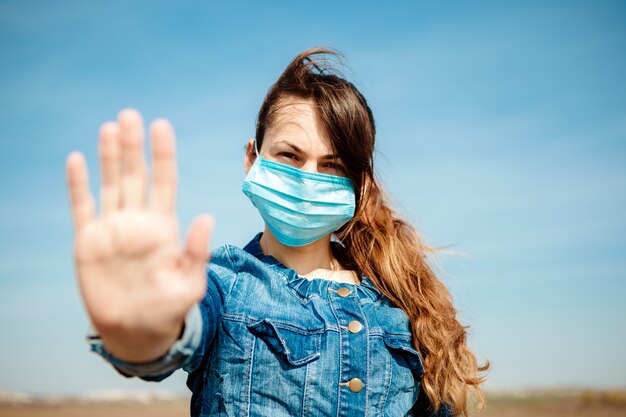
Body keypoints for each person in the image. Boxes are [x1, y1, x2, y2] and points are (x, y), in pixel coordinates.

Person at [66, 47, 487, 417]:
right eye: (289, 155)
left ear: (358, 183)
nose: (309, 177)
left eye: (332, 165)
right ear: (252, 159)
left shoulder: (401, 301)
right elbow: (176, 333)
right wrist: (143, 333)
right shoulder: (224, 286)